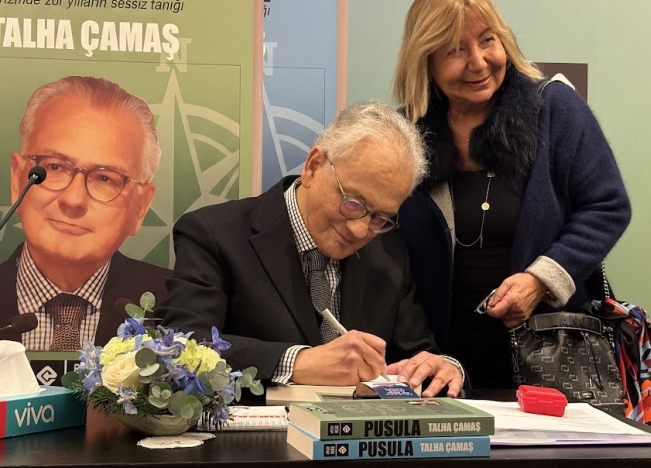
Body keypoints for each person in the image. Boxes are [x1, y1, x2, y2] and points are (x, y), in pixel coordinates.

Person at [392, 0, 631, 389]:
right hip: (437, 365)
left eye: (488, 40)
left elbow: (608, 205)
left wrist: (541, 281)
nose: (479, 62)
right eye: (455, 50)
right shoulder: (403, 134)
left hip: (553, 363)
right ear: (425, 61)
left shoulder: (553, 108)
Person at [158, 102, 464, 397]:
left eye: (380, 218)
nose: (360, 230)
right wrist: (296, 363)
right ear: (313, 166)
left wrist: (442, 368)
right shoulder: (214, 233)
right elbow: (182, 346)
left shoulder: (390, 253)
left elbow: (417, 354)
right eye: (353, 203)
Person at [1, 76, 170, 351]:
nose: (74, 199)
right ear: (17, 179)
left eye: (105, 178)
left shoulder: (179, 307)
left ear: (140, 207)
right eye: (54, 167)